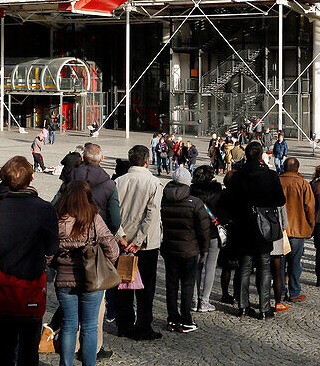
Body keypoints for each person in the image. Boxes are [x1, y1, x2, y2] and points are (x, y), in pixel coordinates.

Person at [0, 156, 59, 366]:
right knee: (29, 347)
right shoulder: (44, 208)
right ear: (31, 178)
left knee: (5, 344)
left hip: (4, 279)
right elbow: (53, 247)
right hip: (32, 281)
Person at [54, 181, 119, 366]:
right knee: (90, 327)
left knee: (68, 326)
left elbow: (48, 252)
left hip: (64, 278)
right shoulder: (93, 218)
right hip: (92, 279)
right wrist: (105, 264)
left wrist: (56, 264)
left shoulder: (57, 218)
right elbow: (112, 249)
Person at [221, 140, 286, 319]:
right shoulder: (271, 175)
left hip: (242, 226)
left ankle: (243, 306)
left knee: (245, 266)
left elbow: (230, 202)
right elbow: (280, 200)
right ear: (260, 156)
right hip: (263, 225)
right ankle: (264, 308)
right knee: (264, 266)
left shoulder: (237, 176)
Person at [114, 145, 163, 341]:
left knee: (123, 284)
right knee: (146, 288)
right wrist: (138, 240)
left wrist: (121, 237)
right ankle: (143, 325)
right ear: (147, 161)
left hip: (123, 242)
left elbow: (113, 212)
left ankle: (124, 324)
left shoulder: (118, 182)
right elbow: (151, 215)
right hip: (145, 244)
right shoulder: (153, 183)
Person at [160, 166, 211, 335]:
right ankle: (186, 319)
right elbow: (204, 229)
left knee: (171, 284)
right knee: (187, 285)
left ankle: (172, 319)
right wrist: (205, 249)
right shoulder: (195, 203)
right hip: (189, 249)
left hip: (169, 248)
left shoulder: (164, 199)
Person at [279, 156, 315, 302]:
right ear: (298, 169)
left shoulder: (277, 181)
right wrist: (311, 225)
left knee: (279, 262)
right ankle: (294, 291)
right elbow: (310, 207)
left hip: (279, 229)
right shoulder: (303, 184)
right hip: (298, 228)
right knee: (295, 262)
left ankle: (280, 291)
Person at [189, 164, 223, 313]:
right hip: (213, 232)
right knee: (210, 267)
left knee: (196, 266)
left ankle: (194, 298)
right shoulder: (217, 192)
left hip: (196, 232)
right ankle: (205, 300)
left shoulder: (192, 191)